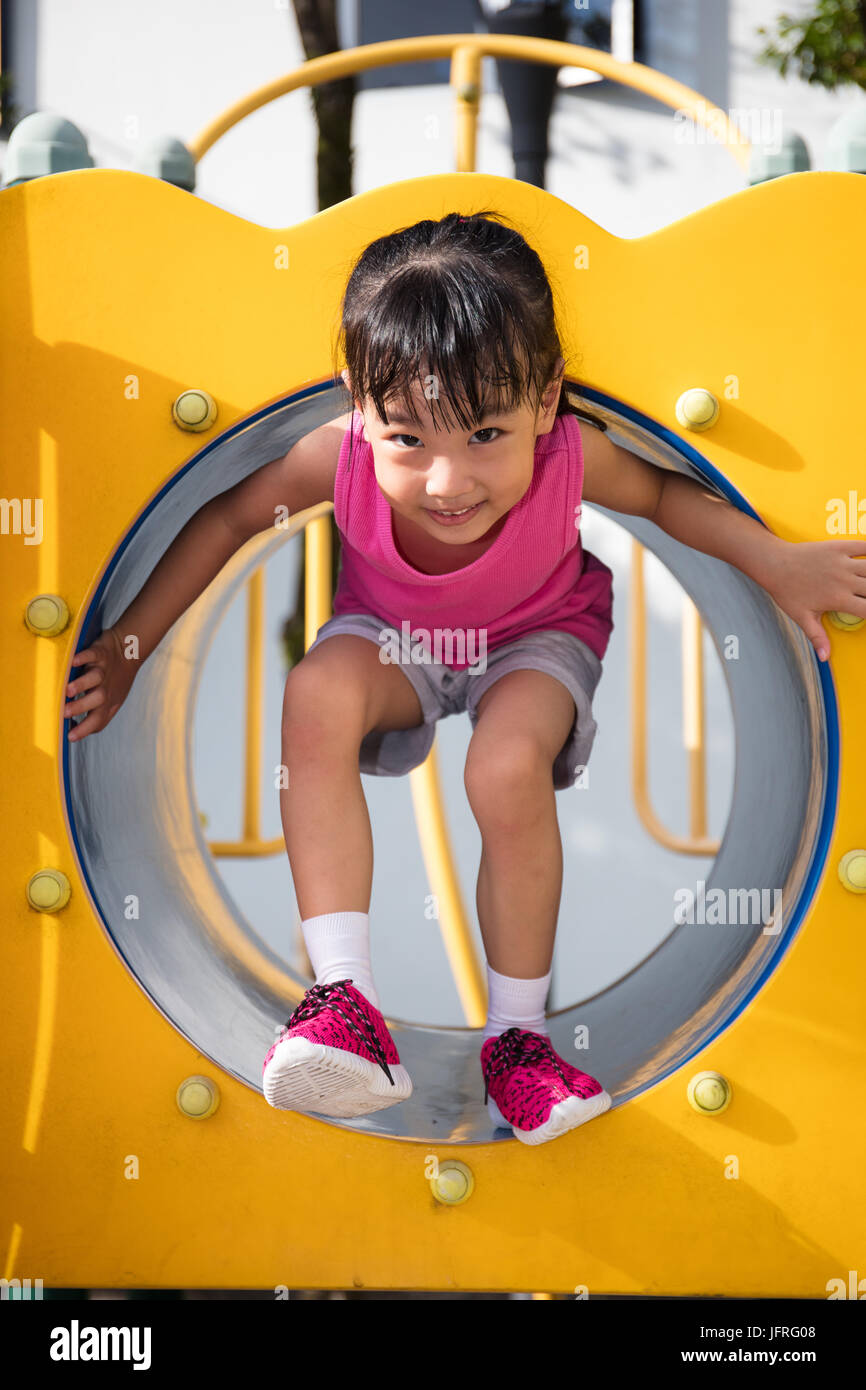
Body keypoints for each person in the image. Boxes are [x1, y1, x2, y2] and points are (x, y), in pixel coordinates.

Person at [64, 210, 857, 1146]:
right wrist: (129, 645)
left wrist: (777, 561)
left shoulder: (571, 457)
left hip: (538, 637)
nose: (448, 481)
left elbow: (669, 498)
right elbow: (228, 519)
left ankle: (518, 1044)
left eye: (486, 433)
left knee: (503, 769)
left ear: (547, 398)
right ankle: (344, 1001)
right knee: (316, 693)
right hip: (391, 639)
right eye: (409, 439)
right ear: (358, 402)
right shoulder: (337, 458)